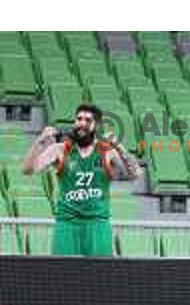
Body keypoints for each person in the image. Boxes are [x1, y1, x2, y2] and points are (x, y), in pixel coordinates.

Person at [21, 103, 142, 256]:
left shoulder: (107, 151)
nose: (82, 123)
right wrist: (40, 141)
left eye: (87, 120)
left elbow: (135, 175)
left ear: (96, 125)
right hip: (67, 223)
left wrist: (121, 148)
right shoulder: (60, 149)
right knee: (63, 276)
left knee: (100, 275)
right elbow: (27, 170)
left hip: (97, 224)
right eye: (79, 119)